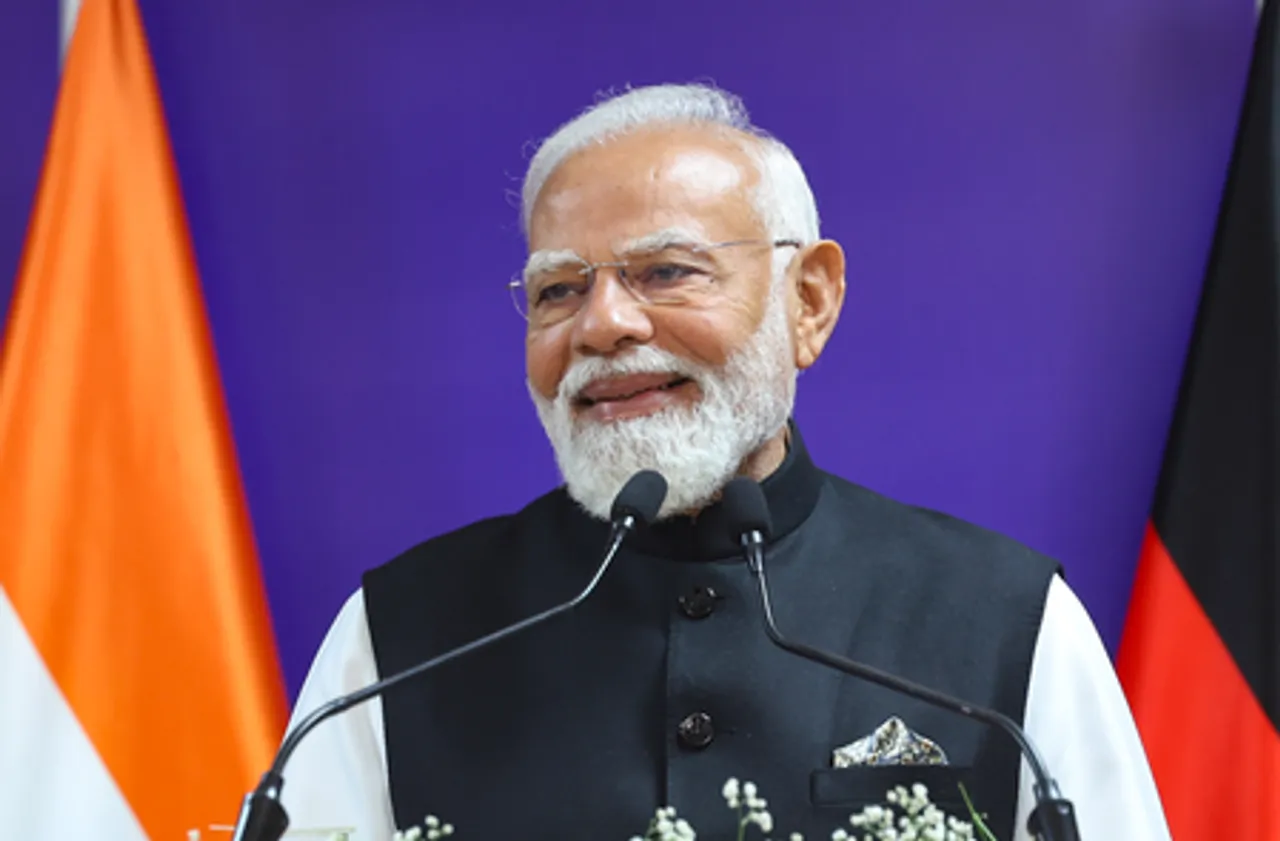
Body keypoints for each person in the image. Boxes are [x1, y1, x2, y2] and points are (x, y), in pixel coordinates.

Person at [279, 83, 1170, 841]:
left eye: (667, 271)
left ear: (808, 302)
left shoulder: (1003, 619)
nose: (603, 325)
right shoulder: (402, 635)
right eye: (559, 289)